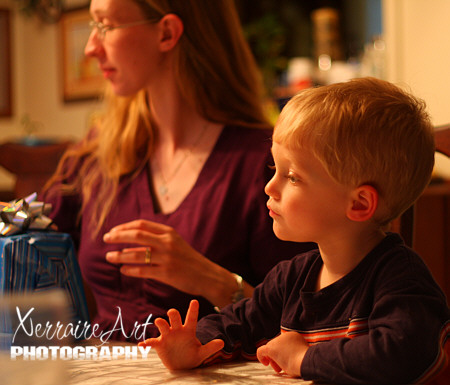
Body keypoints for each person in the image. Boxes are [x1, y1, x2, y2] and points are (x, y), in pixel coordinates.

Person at [140, 77, 450, 384]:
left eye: (292, 176)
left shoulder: (399, 278)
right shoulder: (292, 278)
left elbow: (402, 356)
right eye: (275, 169)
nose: (269, 186)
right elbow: (240, 324)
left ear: (359, 204)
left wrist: (304, 359)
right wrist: (197, 345)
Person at [40, 0, 313, 341]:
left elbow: (307, 324)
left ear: (167, 33)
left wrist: (215, 282)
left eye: (106, 26)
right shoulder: (98, 152)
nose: (90, 47)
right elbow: (24, 230)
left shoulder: (264, 164)